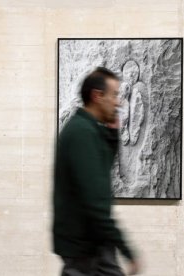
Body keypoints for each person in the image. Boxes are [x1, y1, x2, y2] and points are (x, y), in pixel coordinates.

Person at [53, 67, 140, 276]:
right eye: (114, 95)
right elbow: (95, 199)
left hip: (93, 243)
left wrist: (111, 136)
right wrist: (127, 250)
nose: (118, 102)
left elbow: (100, 175)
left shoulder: (88, 129)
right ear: (97, 96)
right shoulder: (81, 133)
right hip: (85, 245)